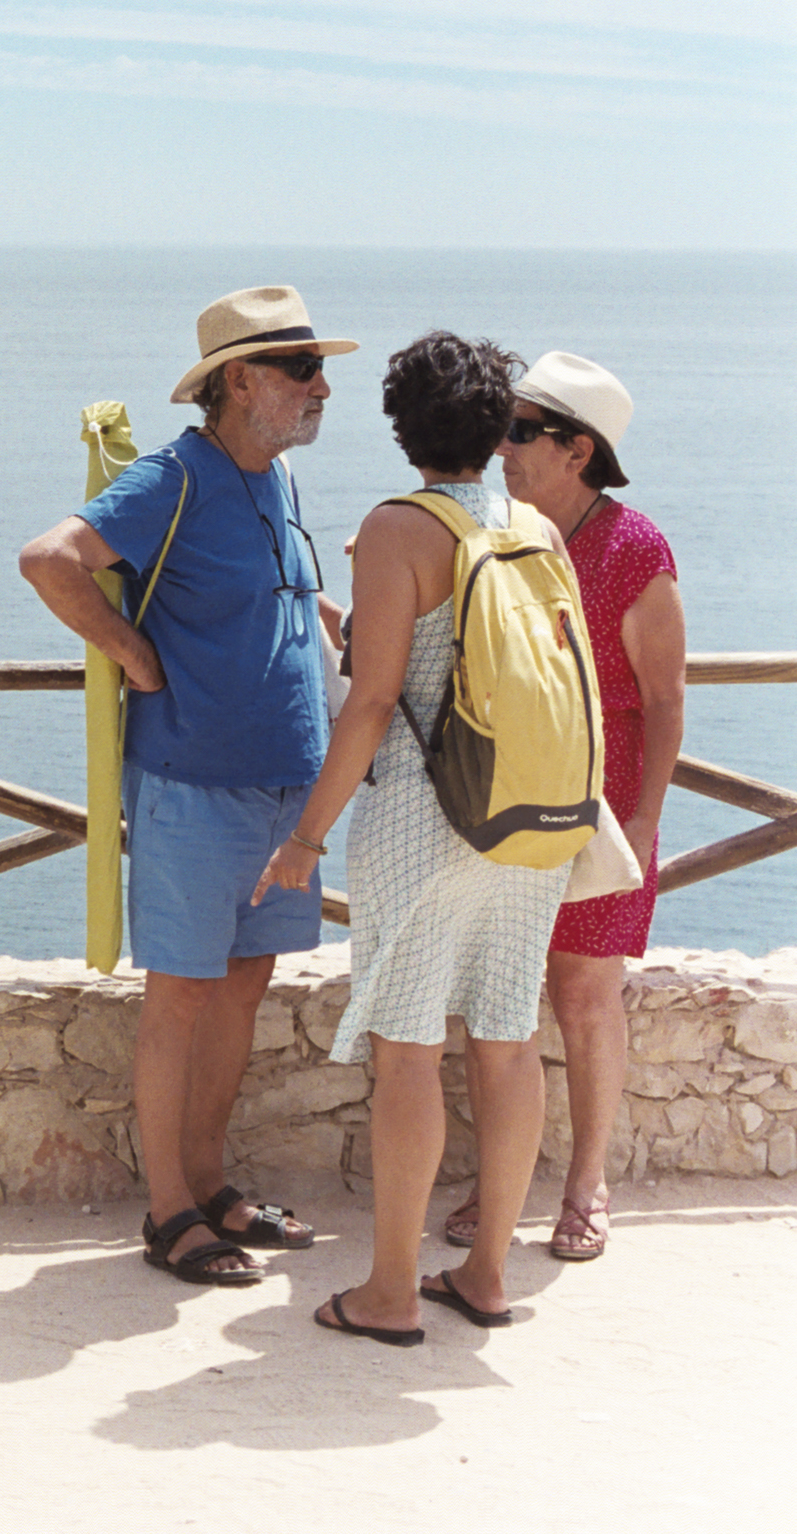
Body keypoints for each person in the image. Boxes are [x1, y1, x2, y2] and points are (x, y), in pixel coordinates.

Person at [21, 286, 356, 1284]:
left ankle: (210, 1184)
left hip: (279, 790)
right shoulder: (177, 474)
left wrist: (330, 620)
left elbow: (257, 594)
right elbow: (50, 559)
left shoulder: (276, 480)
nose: (321, 386)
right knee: (181, 993)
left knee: (244, 984)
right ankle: (169, 1211)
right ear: (239, 380)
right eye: (301, 369)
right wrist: (132, 652)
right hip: (192, 786)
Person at [255, 331, 578, 1345]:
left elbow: (376, 697)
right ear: (496, 428)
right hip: (526, 821)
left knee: (405, 1051)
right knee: (507, 1038)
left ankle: (390, 1287)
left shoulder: (398, 526)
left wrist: (306, 834)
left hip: (421, 820)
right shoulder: (534, 527)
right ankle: (484, 1270)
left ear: (403, 429)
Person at [436, 353, 679, 1262]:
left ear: (578, 449)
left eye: (520, 430)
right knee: (500, 992)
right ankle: (501, 1182)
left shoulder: (635, 548)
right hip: (513, 793)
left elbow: (665, 699)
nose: (500, 446)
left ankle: (586, 1180)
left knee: (583, 993)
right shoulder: (500, 528)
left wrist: (648, 819)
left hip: (608, 805)